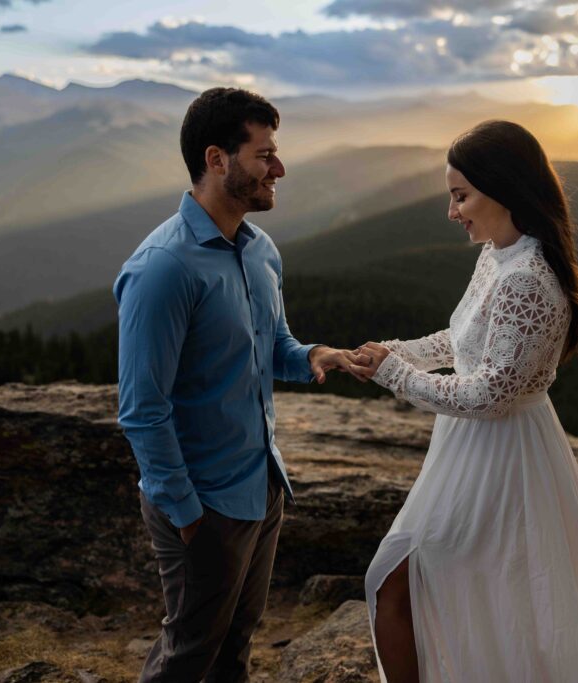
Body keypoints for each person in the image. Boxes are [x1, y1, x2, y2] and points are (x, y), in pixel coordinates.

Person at [349, 120, 578, 682]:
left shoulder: (527, 277)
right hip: (472, 446)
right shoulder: (498, 256)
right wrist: (391, 353)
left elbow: (489, 393)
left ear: (505, 188)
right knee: (466, 588)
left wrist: (395, 374)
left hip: (501, 454)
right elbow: (462, 339)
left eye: (460, 196)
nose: (453, 212)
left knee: (405, 578)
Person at [114, 87, 368, 683]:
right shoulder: (162, 269)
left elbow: (270, 347)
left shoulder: (260, 251)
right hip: (202, 503)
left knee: (234, 646)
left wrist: (315, 355)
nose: (278, 168)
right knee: (188, 655)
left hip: (260, 487)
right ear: (217, 160)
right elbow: (141, 410)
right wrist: (185, 511)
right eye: (265, 154)